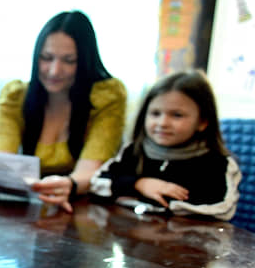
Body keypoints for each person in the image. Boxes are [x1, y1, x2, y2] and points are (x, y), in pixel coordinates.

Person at [0, 10, 127, 212]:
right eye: (47, 58)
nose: (54, 70)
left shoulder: (107, 96)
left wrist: (71, 185)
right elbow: (2, 165)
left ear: (85, 61)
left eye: (69, 60)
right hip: (28, 210)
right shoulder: (15, 97)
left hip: (83, 209)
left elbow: (90, 171)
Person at [90, 70, 240, 220]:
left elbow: (221, 208)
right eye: (155, 114)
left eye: (177, 115)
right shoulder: (133, 151)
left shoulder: (217, 163)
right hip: (135, 237)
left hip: (187, 240)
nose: (163, 123)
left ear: (202, 122)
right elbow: (97, 183)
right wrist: (139, 184)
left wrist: (153, 204)